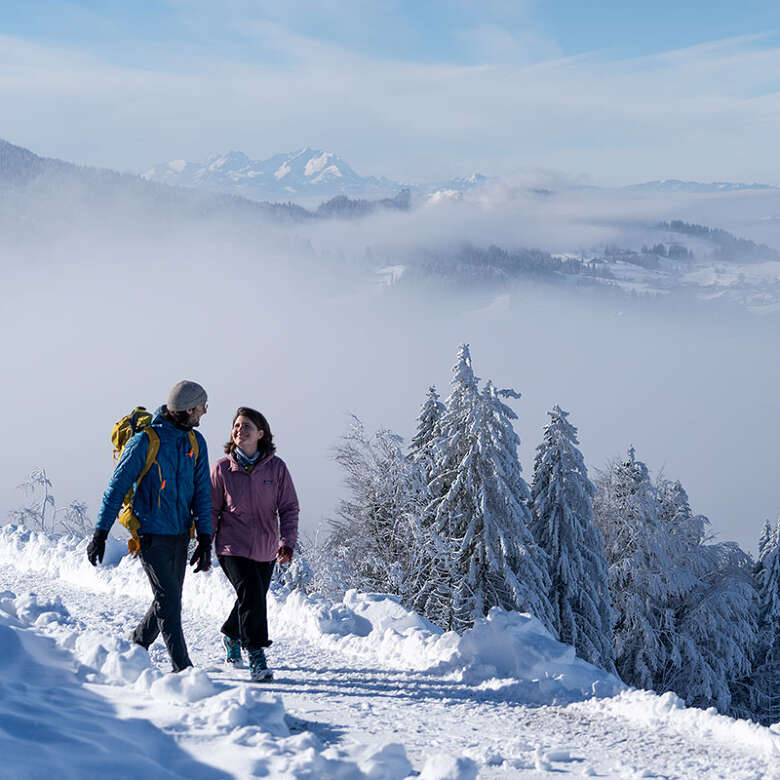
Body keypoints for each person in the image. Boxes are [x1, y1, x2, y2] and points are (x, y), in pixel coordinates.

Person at [86, 380, 212, 672]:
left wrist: (205, 538)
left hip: (181, 534)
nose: (205, 412)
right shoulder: (145, 441)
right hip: (151, 535)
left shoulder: (196, 443)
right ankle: (184, 669)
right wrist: (101, 532)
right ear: (189, 408)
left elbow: (203, 492)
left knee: (168, 599)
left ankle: (137, 645)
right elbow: (116, 488)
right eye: (202, 407)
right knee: (169, 601)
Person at [211, 406, 299, 681]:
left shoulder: (276, 468)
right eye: (236, 425)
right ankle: (257, 655)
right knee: (250, 591)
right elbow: (211, 510)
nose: (240, 430)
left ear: (261, 433)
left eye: (246, 426)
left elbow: (289, 508)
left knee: (252, 598)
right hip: (231, 547)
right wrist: (204, 543)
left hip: (265, 547)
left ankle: (231, 632)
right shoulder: (222, 468)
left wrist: (287, 542)